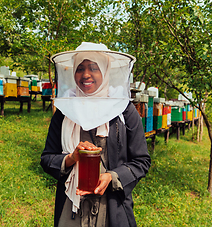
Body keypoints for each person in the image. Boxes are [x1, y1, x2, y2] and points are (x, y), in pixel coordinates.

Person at [40, 42, 151, 227]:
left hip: (112, 209)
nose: (86, 75)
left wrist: (112, 177)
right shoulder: (65, 110)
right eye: (80, 68)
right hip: (72, 208)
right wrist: (71, 157)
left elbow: (141, 161)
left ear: (106, 71)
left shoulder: (124, 110)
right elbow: (47, 158)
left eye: (94, 68)